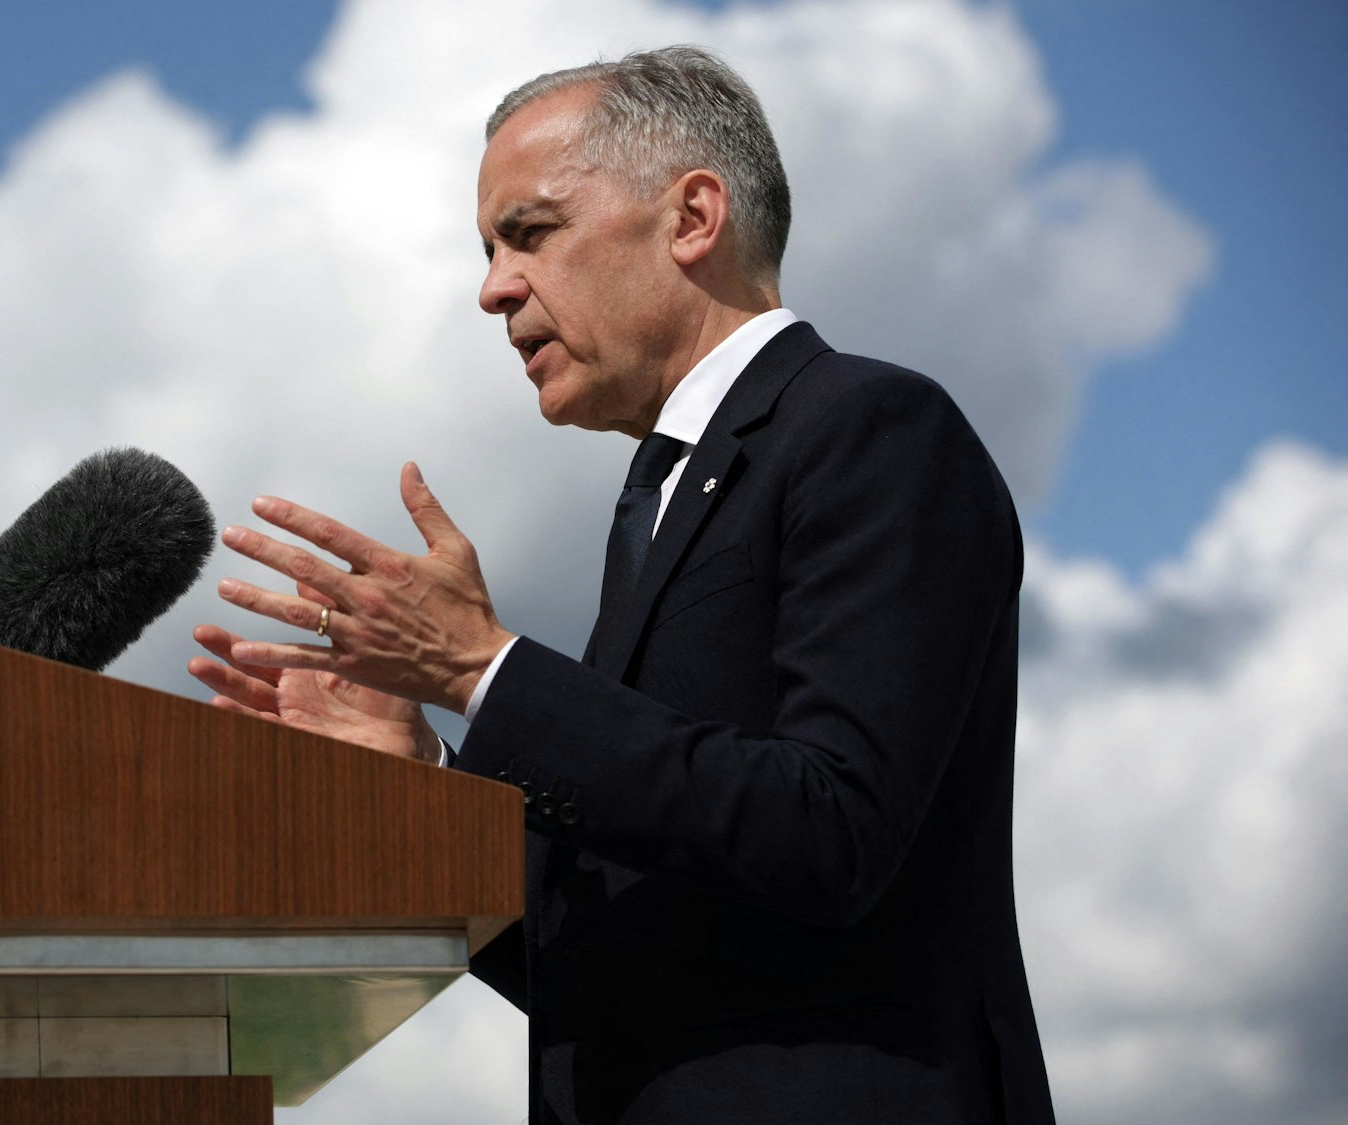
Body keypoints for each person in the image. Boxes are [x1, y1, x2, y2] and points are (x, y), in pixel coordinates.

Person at [188, 45, 1054, 1125]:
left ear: (692, 217)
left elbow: (829, 832)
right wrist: (419, 783)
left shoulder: (870, 429)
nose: (492, 287)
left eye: (530, 233)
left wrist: (480, 669)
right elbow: (587, 962)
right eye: (489, 249)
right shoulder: (651, 505)